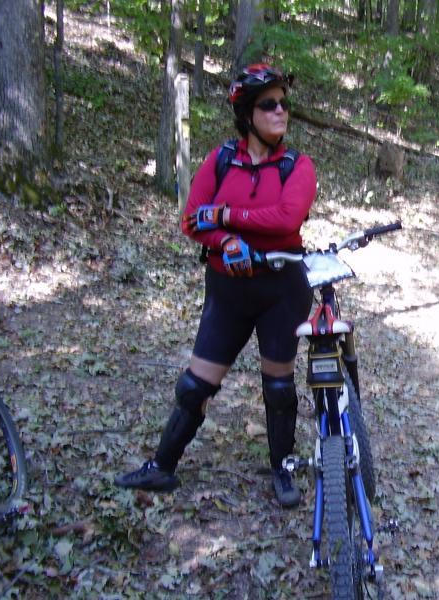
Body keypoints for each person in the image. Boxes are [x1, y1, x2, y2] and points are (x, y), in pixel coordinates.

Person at [115, 64, 316, 508]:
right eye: (270, 104)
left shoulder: (298, 166)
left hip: (282, 288)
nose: (281, 111)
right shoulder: (221, 159)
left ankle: (283, 470)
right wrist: (224, 240)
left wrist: (225, 217)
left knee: (278, 387)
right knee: (194, 386)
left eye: (284, 103)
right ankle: (162, 467)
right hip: (228, 291)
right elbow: (192, 218)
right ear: (247, 114)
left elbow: (287, 217)